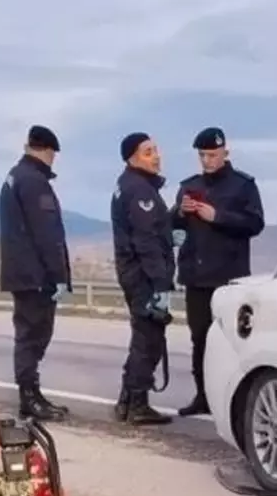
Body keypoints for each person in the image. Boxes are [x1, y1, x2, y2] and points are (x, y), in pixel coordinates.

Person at [171, 127, 265, 417]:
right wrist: (179, 213)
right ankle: (203, 396)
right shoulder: (189, 185)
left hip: (228, 278)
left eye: (212, 154)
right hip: (197, 277)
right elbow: (172, 227)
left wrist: (218, 216)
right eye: (202, 155)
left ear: (225, 152)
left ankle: (234, 401)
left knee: (231, 341)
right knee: (200, 339)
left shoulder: (242, 186)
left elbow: (255, 224)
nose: (207, 160)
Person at [0, 125, 71, 422]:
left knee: (30, 334)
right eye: (53, 154)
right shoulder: (33, 181)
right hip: (35, 275)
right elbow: (47, 234)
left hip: (23, 271)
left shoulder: (16, 176)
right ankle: (29, 398)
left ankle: (32, 394)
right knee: (33, 336)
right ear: (48, 151)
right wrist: (59, 275)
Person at [110, 132, 176, 426]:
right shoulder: (139, 191)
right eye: (149, 152)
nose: (157, 155)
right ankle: (136, 403)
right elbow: (146, 241)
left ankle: (127, 400)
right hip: (143, 276)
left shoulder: (131, 185)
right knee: (148, 340)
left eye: (156, 149)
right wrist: (160, 283)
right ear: (132, 158)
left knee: (143, 338)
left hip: (136, 273)